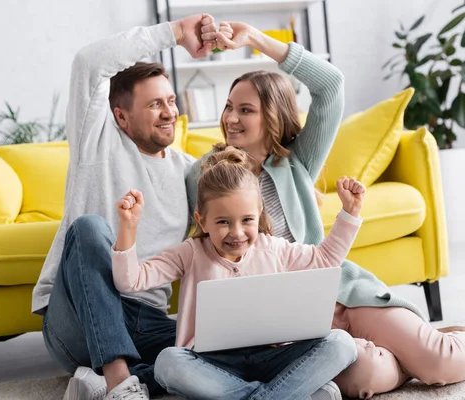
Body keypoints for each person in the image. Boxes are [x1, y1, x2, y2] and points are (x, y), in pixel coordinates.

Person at [188, 21, 465, 399]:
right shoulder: (206, 174)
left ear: (272, 117)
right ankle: (411, 350)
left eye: (245, 109)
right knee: (360, 380)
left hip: (344, 294)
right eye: (228, 107)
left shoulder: (295, 162)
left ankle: (427, 347)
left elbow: (330, 85)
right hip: (292, 327)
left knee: (441, 364)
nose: (231, 118)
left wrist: (253, 39)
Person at [31, 14, 223, 400]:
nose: (169, 111)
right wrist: (175, 33)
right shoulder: (97, 142)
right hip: (76, 319)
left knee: (224, 353)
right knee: (89, 228)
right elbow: (88, 62)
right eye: (154, 104)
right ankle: (120, 382)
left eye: (170, 100)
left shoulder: (188, 171)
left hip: (146, 320)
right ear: (121, 116)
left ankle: (102, 383)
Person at [112, 147, 366, 400]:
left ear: (259, 216)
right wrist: (129, 227)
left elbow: (325, 259)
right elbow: (130, 280)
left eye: (247, 220)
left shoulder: (273, 248)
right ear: (202, 221)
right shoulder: (190, 252)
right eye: (223, 222)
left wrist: (350, 213)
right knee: (168, 362)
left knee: (341, 343)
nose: (237, 232)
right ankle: (284, 394)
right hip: (210, 364)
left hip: (271, 357)